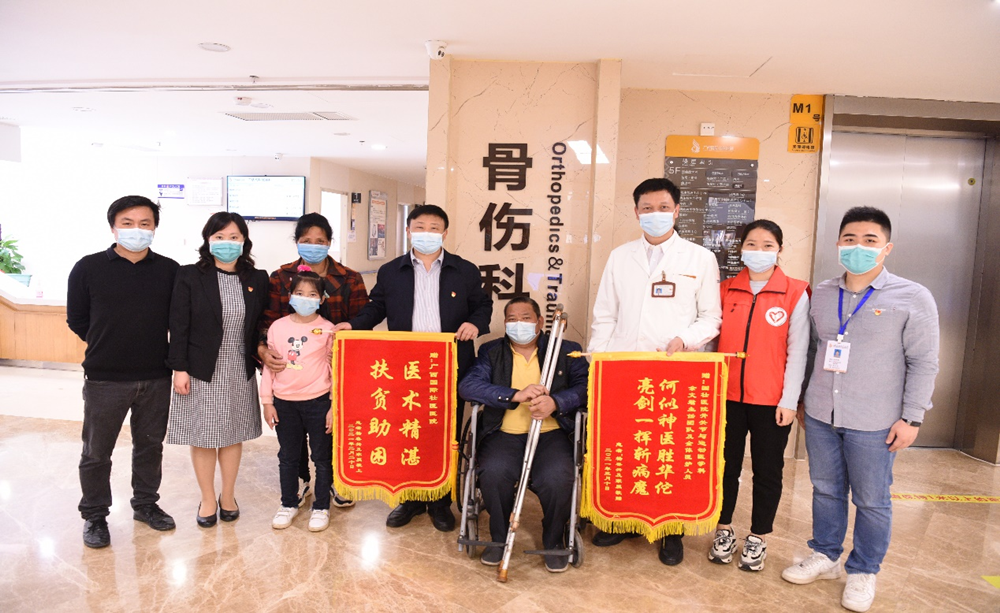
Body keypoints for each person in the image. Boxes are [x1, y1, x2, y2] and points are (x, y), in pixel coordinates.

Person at [781, 207, 939, 613]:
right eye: (850, 239)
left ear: (886, 248)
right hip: (821, 413)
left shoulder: (912, 296)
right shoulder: (823, 293)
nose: (858, 247)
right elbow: (812, 350)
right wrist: (803, 398)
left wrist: (913, 417)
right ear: (838, 243)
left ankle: (864, 569)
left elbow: (924, 361)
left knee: (871, 499)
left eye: (870, 240)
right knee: (826, 489)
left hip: (876, 420)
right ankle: (826, 555)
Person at [334, 204, 493, 532]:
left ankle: (440, 500)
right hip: (405, 366)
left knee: (444, 432)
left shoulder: (464, 270)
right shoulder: (391, 271)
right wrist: (354, 325)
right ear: (408, 231)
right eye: (420, 227)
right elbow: (376, 307)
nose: (426, 233)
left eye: (434, 228)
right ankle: (409, 498)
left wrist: (475, 324)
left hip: (449, 365)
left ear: (444, 233)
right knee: (406, 430)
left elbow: (482, 305)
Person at [588, 177, 722, 566]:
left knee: (668, 450)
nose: (655, 214)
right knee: (628, 446)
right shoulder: (620, 256)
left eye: (663, 207)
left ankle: (670, 530)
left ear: (677, 211)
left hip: (675, 371)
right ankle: (624, 519)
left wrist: (685, 338)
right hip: (624, 369)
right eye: (647, 208)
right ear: (636, 213)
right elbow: (605, 314)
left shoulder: (699, 258)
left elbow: (710, 317)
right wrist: (598, 359)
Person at [67, 195, 180, 549]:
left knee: (150, 446)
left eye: (145, 224)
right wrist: (108, 342)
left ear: (155, 228)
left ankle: (145, 504)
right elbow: (77, 318)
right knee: (97, 451)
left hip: (156, 376)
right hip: (105, 378)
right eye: (127, 223)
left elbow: (179, 320)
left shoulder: (170, 270)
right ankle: (95, 515)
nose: (136, 230)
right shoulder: (88, 267)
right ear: (113, 227)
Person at [458, 297, 588, 573]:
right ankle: (499, 538)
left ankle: (554, 539)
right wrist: (514, 395)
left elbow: (585, 387)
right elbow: (468, 386)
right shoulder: (492, 351)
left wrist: (556, 402)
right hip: (504, 433)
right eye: (512, 319)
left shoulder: (566, 350)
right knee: (493, 473)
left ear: (540, 322)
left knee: (558, 478)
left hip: (552, 435)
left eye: (526, 318)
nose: (519, 324)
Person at [709, 220, 810, 572]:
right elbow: (710, 342)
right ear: (741, 249)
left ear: (779, 249)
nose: (759, 251)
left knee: (768, 471)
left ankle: (758, 536)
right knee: (725, 466)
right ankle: (723, 529)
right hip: (727, 398)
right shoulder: (724, 290)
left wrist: (789, 400)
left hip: (772, 402)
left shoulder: (795, 292)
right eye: (751, 244)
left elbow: (799, 351)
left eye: (768, 245)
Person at [258, 212, 367, 510]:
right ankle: (302, 480)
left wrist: (344, 349)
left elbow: (363, 325)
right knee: (292, 440)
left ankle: (337, 480)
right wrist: (264, 352)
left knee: (332, 430)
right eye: (306, 240)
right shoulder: (280, 277)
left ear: (330, 242)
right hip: (291, 374)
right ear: (297, 242)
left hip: (333, 371)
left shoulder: (350, 278)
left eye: (320, 241)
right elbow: (267, 324)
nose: (314, 245)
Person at [166, 212, 269, 527]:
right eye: (219, 237)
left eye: (234, 237)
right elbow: (179, 325)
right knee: (203, 435)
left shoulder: (257, 278)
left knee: (232, 434)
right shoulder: (189, 275)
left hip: (238, 366)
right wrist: (179, 368)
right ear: (208, 240)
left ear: (244, 241)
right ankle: (208, 498)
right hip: (200, 368)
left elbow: (261, 324)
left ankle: (228, 495)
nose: (227, 243)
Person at [261, 267, 337, 532]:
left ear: (322, 299)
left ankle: (321, 507)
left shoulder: (328, 330)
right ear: (290, 295)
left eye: (312, 294)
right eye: (300, 293)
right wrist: (267, 402)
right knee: (288, 457)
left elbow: (335, 371)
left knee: (322, 457)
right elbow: (270, 366)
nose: (305, 298)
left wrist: (334, 406)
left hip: (319, 402)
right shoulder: (277, 327)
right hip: (284, 403)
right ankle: (288, 503)